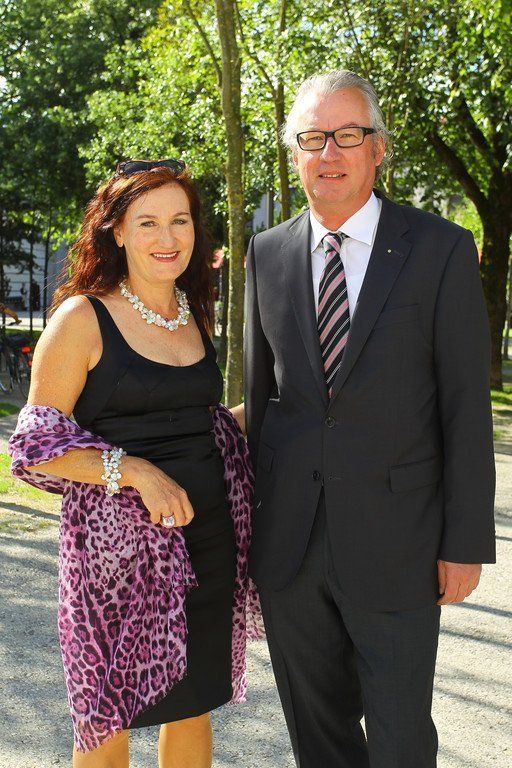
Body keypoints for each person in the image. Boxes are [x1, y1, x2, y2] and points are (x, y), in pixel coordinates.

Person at [244, 70, 495, 768]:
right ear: (294, 153)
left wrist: (465, 541)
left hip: (400, 544)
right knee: (317, 737)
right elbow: (262, 401)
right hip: (291, 546)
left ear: (378, 148)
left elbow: (465, 406)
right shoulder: (266, 254)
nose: (329, 153)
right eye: (312, 138)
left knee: (400, 739)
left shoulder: (440, 249)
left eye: (347, 135)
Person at [9, 159, 259, 768]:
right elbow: (34, 443)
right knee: (106, 716)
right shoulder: (81, 317)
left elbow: (203, 424)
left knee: (193, 704)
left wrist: (288, 404)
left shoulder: (193, 311)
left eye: (180, 221)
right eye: (147, 223)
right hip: (113, 559)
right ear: (117, 231)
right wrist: (138, 472)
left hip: (207, 541)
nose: (166, 238)